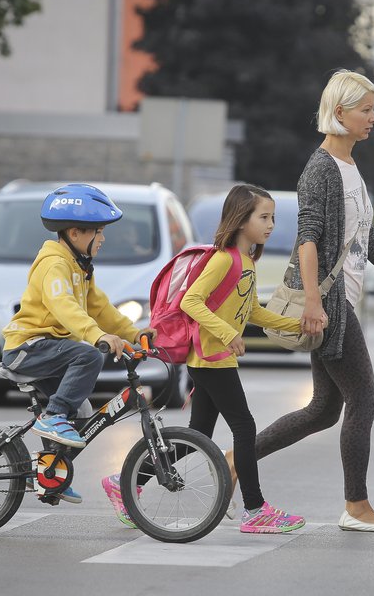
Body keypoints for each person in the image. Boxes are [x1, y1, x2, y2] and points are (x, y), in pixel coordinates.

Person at [251, 69, 374, 533]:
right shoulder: (320, 169)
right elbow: (308, 239)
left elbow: (367, 241)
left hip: (344, 299)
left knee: (324, 408)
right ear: (339, 113)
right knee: (365, 398)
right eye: (366, 110)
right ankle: (356, 506)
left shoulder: (352, 169)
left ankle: (236, 462)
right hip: (330, 303)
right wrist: (316, 302)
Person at [102, 184, 310, 534]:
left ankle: (125, 481)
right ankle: (255, 509)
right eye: (264, 217)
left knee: (198, 434)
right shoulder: (223, 258)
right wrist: (228, 334)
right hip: (211, 358)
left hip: (216, 359)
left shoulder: (247, 261)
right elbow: (191, 302)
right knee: (244, 428)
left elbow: (252, 311)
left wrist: (297, 326)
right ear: (241, 220)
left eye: (272, 217)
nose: (271, 224)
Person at [1, 183, 155, 504]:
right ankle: (53, 415)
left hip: (48, 352)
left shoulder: (81, 268)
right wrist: (97, 336)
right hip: (27, 349)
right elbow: (64, 306)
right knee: (87, 358)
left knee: (82, 414)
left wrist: (133, 334)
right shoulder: (54, 264)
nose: (102, 238)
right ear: (75, 233)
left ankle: (51, 474)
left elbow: (101, 309)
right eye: (98, 232)